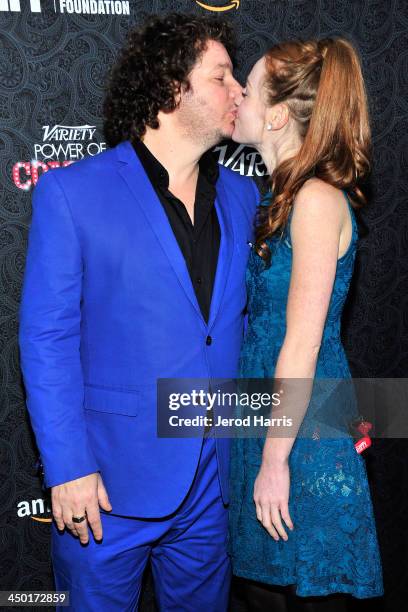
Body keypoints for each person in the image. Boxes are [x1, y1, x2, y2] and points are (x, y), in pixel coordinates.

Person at [18, 13, 259, 611]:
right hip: (107, 486)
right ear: (173, 87)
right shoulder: (73, 192)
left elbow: (243, 330)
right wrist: (68, 467)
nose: (241, 92)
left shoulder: (244, 194)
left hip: (214, 483)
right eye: (223, 76)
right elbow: (46, 338)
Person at [228, 38, 384, 611]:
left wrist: (274, 461)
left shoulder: (316, 198)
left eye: (247, 86)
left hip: (302, 435)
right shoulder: (279, 197)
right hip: (266, 419)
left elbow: (302, 343)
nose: (237, 96)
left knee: (309, 595)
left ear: (275, 114)